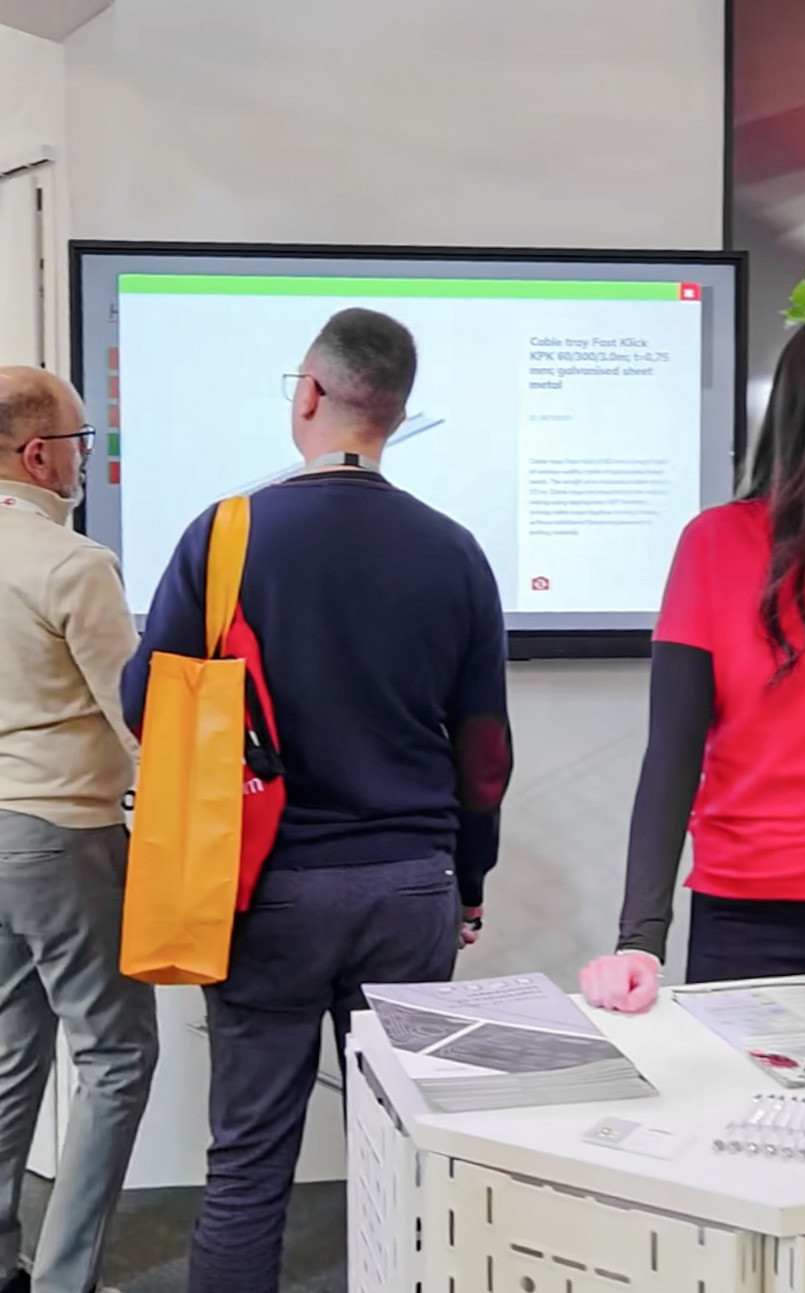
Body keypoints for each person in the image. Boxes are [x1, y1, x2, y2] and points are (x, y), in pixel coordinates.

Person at [121, 307, 513, 1293]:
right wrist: (468, 878)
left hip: (268, 887)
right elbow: (483, 754)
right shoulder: (455, 548)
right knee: (403, 1152)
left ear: (308, 395)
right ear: (397, 413)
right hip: (412, 886)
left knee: (249, 1156)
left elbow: (147, 703)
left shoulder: (227, 534)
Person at [580, 310, 805, 1014]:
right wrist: (640, 939)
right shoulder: (716, 543)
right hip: (743, 914)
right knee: (737, 1088)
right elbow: (672, 753)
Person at [0, 368, 158, 1293]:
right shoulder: (74, 564)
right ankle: (67, 1280)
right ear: (38, 455)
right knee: (116, 1055)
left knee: (10, 1050)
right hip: (65, 833)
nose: (85, 459)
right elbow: (135, 715)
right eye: (81, 442)